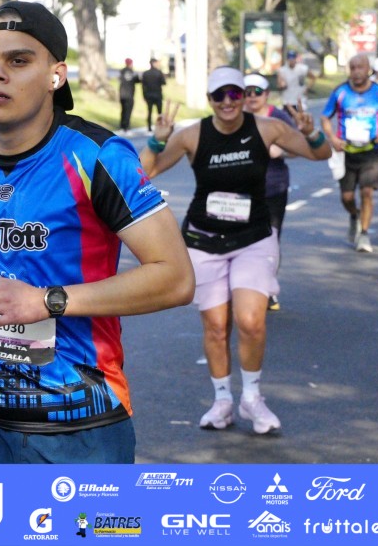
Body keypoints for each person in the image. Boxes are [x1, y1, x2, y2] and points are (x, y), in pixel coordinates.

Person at [0, 1, 194, 463]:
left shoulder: (97, 157)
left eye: (18, 61)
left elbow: (175, 277)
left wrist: (47, 301)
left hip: (76, 419)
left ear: (56, 76)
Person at [140, 66, 331, 434]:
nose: (227, 102)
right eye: (219, 95)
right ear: (210, 100)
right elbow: (145, 173)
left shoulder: (267, 128)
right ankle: (223, 401)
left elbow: (320, 154)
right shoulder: (192, 135)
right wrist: (157, 141)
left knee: (251, 321)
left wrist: (312, 132)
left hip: (253, 238)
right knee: (215, 327)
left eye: (234, 94)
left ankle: (252, 398)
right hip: (204, 240)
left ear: (243, 96)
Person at [321, 53, 378, 253]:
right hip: (346, 152)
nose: (356, 72)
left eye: (360, 67)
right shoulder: (340, 92)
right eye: (353, 68)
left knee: (367, 192)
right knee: (347, 197)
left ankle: (364, 234)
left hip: (370, 151)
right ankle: (354, 215)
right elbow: (325, 117)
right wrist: (333, 138)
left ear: (368, 70)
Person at [242, 72, 297, 311]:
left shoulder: (279, 118)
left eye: (257, 92)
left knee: (269, 241)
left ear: (266, 94)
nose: (252, 96)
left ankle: (267, 287)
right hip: (240, 191)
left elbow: (297, 149)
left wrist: (279, 150)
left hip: (273, 188)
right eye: (247, 92)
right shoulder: (234, 117)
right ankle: (244, 287)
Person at [141, 58, 167, 132]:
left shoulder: (145, 73)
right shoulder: (159, 72)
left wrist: (144, 95)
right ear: (154, 63)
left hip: (149, 95)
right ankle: (160, 127)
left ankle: (149, 127)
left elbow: (143, 86)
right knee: (159, 112)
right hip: (158, 95)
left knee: (149, 111)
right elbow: (164, 83)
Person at [118, 58, 139, 133]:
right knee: (128, 111)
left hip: (122, 94)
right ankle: (126, 127)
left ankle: (122, 126)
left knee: (123, 110)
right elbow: (137, 80)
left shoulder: (122, 71)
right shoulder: (132, 72)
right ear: (130, 64)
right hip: (129, 94)